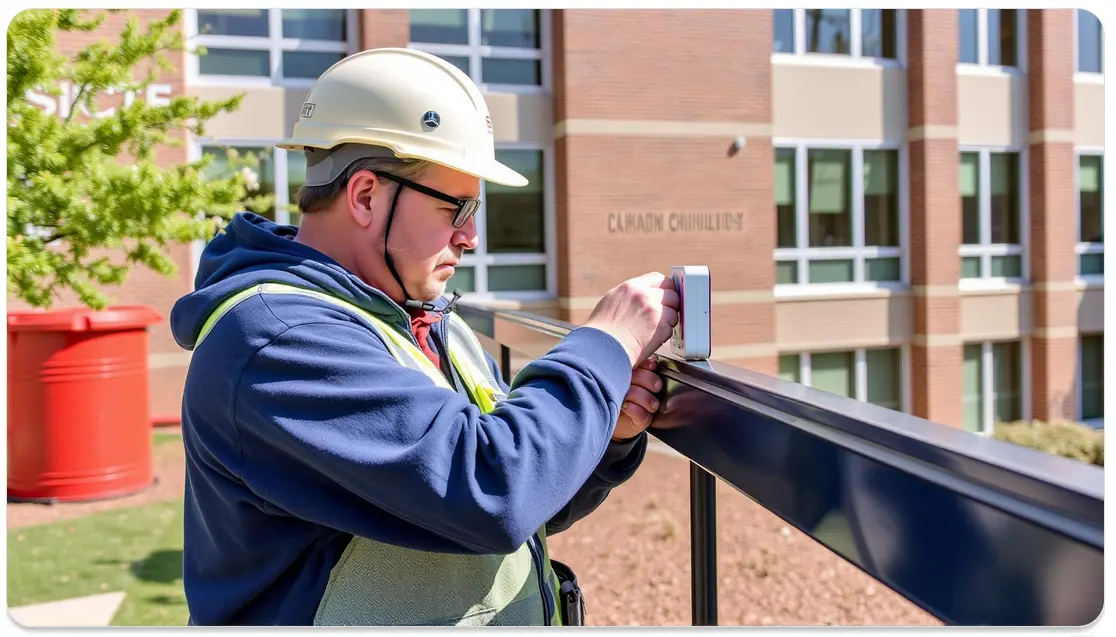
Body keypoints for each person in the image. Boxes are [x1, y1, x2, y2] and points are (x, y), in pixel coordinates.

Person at [170, 47, 680, 627]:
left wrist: (602, 437)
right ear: (365, 195)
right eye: (456, 207)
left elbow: (517, 507)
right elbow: (491, 490)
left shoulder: (429, 324)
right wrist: (604, 345)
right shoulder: (276, 340)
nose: (470, 237)